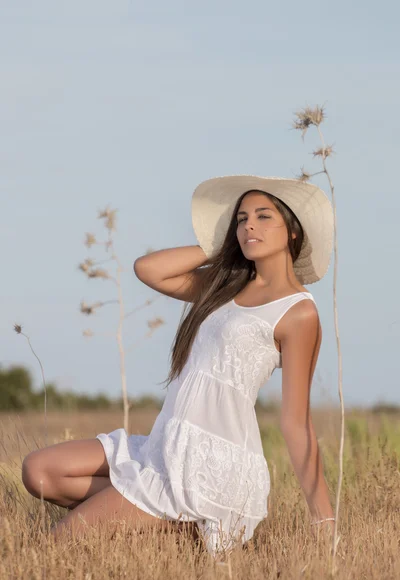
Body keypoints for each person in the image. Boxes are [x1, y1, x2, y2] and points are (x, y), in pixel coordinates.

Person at [21, 174, 335, 558]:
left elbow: (296, 421)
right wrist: (222, 247)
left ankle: (191, 517)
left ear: (293, 233)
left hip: (211, 463)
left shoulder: (299, 312)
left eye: (264, 216)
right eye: (240, 219)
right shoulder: (224, 286)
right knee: (39, 472)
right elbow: (148, 269)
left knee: (55, 548)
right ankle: (180, 530)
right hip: (166, 447)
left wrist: (324, 523)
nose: (249, 224)